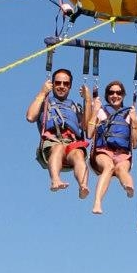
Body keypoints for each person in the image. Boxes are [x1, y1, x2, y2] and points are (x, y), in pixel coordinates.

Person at [26, 68, 91, 196]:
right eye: (58, 83)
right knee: (58, 148)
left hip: (72, 143)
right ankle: (55, 180)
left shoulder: (75, 106)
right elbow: (30, 117)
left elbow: (87, 129)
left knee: (78, 154)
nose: (62, 86)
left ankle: (83, 185)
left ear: (70, 86)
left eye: (65, 84)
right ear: (53, 84)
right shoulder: (45, 103)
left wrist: (88, 101)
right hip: (52, 141)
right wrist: (42, 93)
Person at [88, 80, 137, 214]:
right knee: (109, 167)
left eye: (118, 93)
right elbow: (89, 133)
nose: (115, 95)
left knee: (122, 170)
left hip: (122, 153)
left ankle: (128, 187)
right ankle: (97, 202)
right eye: (111, 93)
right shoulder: (101, 112)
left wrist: (134, 121)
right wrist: (95, 111)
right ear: (107, 95)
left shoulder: (129, 114)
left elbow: (135, 143)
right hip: (103, 151)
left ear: (123, 95)